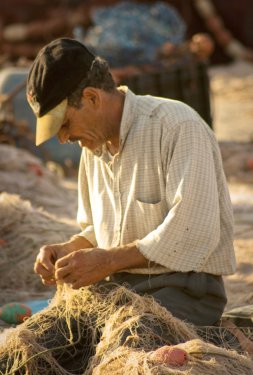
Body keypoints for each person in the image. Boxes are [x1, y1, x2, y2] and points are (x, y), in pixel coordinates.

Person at [27, 37, 236, 328]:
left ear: (92, 98)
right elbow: (100, 231)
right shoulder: (93, 146)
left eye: (64, 125)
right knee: (41, 341)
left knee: (132, 340)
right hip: (119, 290)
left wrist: (109, 261)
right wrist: (69, 249)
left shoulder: (177, 126)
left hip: (184, 290)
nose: (63, 138)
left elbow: (193, 233)